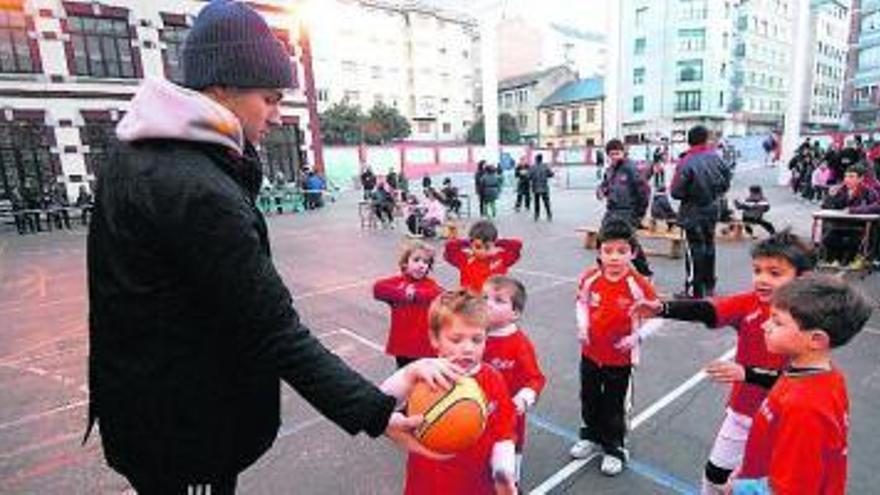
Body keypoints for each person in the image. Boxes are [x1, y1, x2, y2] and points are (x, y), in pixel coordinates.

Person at [86, 3, 457, 493]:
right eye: (269, 98)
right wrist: (376, 411)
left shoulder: (135, 154)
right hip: (185, 432)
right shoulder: (198, 190)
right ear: (221, 87)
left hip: (144, 410)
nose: (279, 115)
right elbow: (275, 330)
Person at [632, 230, 816, 494]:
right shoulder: (750, 303)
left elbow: (801, 380)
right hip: (743, 410)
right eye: (757, 270)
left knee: (762, 483)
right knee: (715, 475)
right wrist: (663, 308)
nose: (762, 279)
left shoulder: (810, 322)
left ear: (802, 279)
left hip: (784, 421)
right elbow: (710, 309)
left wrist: (747, 373)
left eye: (775, 273)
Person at [732, 276, 872, 495]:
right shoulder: (824, 376)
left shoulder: (805, 408)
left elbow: (792, 489)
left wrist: (741, 488)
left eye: (777, 322)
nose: (765, 325)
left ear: (816, 340)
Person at [404, 289, 517, 495]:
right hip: (429, 482)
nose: (468, 349)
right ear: (435, 339)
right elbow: (382, 409)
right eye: (456, 340)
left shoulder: (493, 379)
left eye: (477, 340)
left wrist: (503, 469)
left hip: (477, 483)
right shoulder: (422, 376)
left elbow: (504, 429)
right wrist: (405, 377)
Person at [569, 220, 659, 476]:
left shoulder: (637, 284)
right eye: (608, 251)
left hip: (620, 360)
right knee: (589, 396)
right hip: (590, 354)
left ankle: (614, 448)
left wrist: (638, 337)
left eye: (621, 251)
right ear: (599, 252)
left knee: (614, 405)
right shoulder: (590, 278)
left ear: (633, 252)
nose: (614, 257)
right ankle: (590, 436)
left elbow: (659, 315)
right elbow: (581, 304)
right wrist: (583, 326)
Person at [482, 275, 546, 482]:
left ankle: (511, 483)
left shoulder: (519, 344)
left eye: (498, 300)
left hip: (507, 418)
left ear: (515, 313)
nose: (487, 304)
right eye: (484, 297)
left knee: (506, 465)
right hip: (474, 412)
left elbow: (535, 378)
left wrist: (523, 398)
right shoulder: (474, 335)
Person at [671, 125, 732, 298]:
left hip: (692, 209)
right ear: (706, 139)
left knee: (694, 249)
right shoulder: (716, 157)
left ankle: (694, 289)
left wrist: (691, 192)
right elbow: (727, 180)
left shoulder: (687, 161)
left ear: (689, 141)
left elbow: (676, 191)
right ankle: (708, 283)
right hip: (712, 207)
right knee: (709, 245)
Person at [373, 242, 443, 368]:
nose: (421, 265)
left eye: (426, 262)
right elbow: (378, 289)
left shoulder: (431, 285)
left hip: (425, 348)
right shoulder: (398, 283)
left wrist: (414, 294)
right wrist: (405, 293)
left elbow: (435, 294)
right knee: (404, 378)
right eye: (416, 260)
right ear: (405, 263)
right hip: (403, 347)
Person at [598, 139, 652, 277]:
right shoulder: (609, 170)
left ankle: (645, 273)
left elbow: (644, 191)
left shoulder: (631, 168)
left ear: (623, 152)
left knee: (630, 242)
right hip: (612, 210)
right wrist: (601, 191)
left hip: (628, 212)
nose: (615, 157)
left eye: (617, 153)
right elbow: (604, 185)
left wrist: (639, 214)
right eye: (612, 154)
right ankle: (605, 271)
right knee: (602, 238)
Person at [821, 164, 879, 265]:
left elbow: (876, 207)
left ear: (861, 178)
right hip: (838, 226)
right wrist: (830, 197)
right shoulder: (839, 190)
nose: (847, 179)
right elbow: (826, 207)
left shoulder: (869, 192)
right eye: (846, 176)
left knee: (854, 241)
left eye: (851, 176)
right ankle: (833, 260)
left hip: (858, 227)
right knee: (828, 238)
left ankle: (852, 259)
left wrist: (853, 210)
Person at [444, 219, 522, 293]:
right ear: (471, 245)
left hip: (492, 301)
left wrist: (497, 242)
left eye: (487, 247)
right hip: (470, 303)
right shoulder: (465, 259)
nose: (482, 251)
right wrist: (469, 242)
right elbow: (450, 247)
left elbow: (517, 245)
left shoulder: (501, 259)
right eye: (478, 247)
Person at [529, 153, 554, 221]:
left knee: (537, 202)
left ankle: (537, 215)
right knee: (546, 202)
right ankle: (549, 215)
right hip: (544, 187)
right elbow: (551, 174)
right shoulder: (545, 166)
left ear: (536, 159)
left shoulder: (532, 167)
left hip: (535, 187)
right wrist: (546, 176)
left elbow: (529, 177)